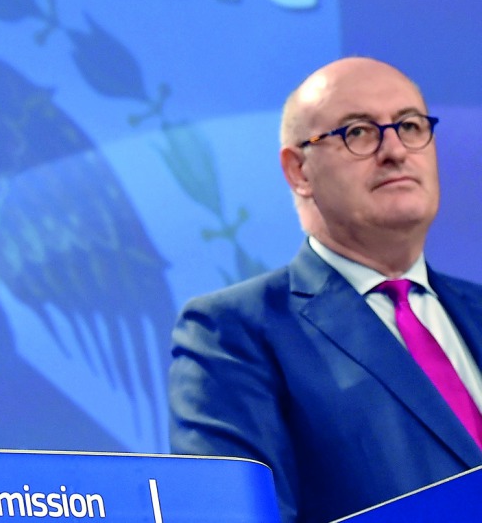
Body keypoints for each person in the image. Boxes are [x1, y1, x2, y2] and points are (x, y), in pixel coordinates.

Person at [169, 56, 482, 523]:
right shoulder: (232, 332)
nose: (395, 150)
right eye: (357, 132)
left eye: (410, 126)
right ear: (299, 171)